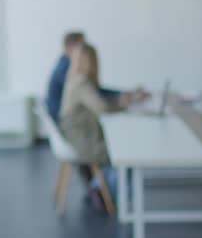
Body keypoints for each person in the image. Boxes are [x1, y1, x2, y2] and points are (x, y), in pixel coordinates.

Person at [59, 43, 146, 206]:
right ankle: (100, 189)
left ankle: (100, 187)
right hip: (82, 137)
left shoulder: (81, 79)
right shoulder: (80, 82)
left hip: (83, 133)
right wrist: (125, 103)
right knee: (124, 153)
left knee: (123, 149)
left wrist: (125, 98)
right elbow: (102, 107)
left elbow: (102, 97)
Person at [45, 32, 121, 124]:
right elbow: (91, 93)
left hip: (66, 118)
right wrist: (122, 97)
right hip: (67, 121)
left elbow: (92, 91)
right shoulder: (68, 70)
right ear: (72, 47)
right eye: (82, 44)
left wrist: (120, 94)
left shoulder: (66, 64)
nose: (86, 47)